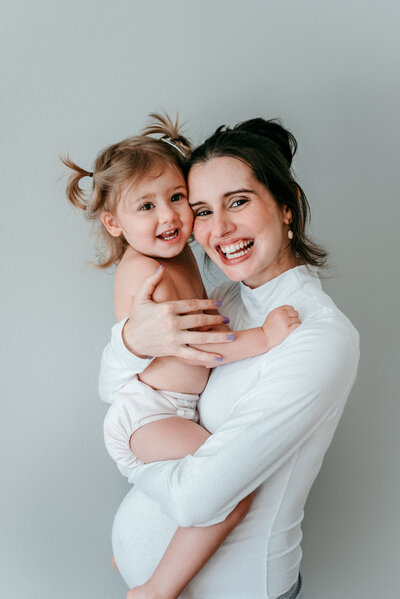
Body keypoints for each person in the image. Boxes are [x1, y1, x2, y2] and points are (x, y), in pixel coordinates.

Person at [99, 117, 360, 599]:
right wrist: (132, 340)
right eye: (202, 209)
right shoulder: (229, 299)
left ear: (288, 205)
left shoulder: (319, 339)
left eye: (238, 201)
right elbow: (118, 384)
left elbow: (199, 497)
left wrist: (129, 462)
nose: (218, 228)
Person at [62, 114, 300, 599]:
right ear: (114, 222)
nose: (168, 216)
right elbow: (200, 346)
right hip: (149, 416)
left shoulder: (179, 255)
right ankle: (156, 588)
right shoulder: (142, 270)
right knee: (228, 492)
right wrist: (265, 336)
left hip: (170, 408)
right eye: (145, 206)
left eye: (176, 199)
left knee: (205, 485)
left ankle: (138, 556)